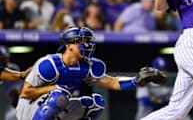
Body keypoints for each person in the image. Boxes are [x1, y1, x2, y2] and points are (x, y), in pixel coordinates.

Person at [15, 26, 166, 120]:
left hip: (57, 105)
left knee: (95, 103)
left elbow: (112, 82)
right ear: (69, 46)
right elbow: (26, 93)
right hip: (29, 110)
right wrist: (54, 88)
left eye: (88, 42)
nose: (87, 45)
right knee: (59, 97)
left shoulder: (86, 65)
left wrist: (135, 79)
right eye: (81, 42)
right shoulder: (49, 64)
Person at [0, 46, 32, 120]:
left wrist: (18, 90)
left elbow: (21, 88)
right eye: (1, 59)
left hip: (9, 107)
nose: (4, 61)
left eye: (5, 58)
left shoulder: (13, 68)